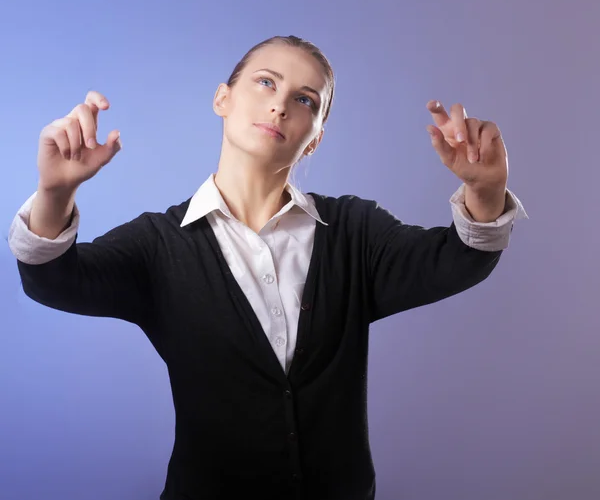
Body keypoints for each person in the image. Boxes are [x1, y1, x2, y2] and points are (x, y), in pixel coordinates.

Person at [8, 35, 527, 500]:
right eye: (265, 82)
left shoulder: (353, 230)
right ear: (222, 99)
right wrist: (56, 192)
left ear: (317, 135)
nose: (280, 105)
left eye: (305, 99)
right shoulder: (158, 245)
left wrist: (485, 190)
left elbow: (459, 260)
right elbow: (53, 279)